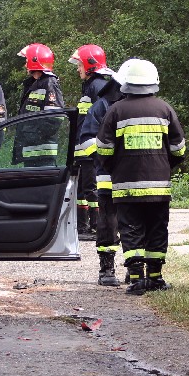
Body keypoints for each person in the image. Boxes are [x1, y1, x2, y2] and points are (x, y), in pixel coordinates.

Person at [96, 58, 186, 294]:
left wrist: (116, 167)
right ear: (153, 82)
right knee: (157, 229)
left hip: (126, 187)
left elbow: (103, 149)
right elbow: (179, 149)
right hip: (158, 187)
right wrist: (165, 166)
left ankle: (136, 279)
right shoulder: (165, 109)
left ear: (126, 84)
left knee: (130, 230)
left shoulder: (116, 110)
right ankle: (155, 278)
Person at [78, 72, 124, 285]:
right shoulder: (103, 106)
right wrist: (106, 159)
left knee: (136, 225)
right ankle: (107, 270)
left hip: (137, 178)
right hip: (110, 177)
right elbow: (87, 140)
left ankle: (136, 272)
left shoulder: (141, 106)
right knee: (108, 223)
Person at [69, 44, 115, 241]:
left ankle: (97, 226)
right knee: (82, 190)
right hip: (83, 150)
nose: (78, 69)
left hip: (91, 150)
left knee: (92, 189)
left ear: (89, 65)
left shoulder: (97, 86)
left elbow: (103, 117)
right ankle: (83, 226)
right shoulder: (90, 86)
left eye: (79, 64)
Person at [13, 43, 65, 167]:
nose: (25, 65)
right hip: (32, 151)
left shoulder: (49, 84)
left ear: (35, 62)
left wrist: (33, 135)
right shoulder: (34, 84)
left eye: (27, 61)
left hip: (43, 153)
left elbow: (55, 118)